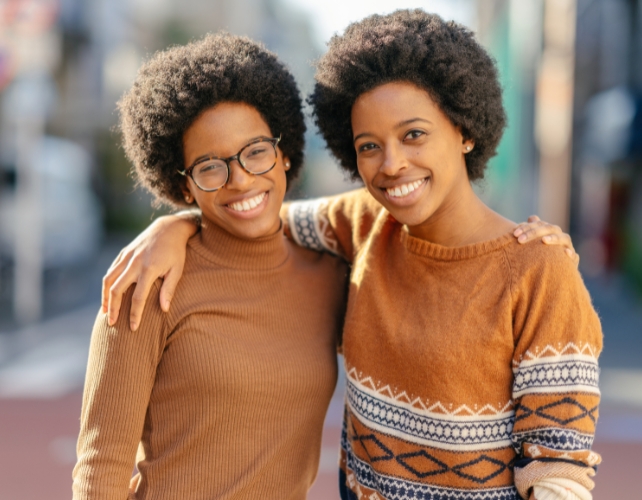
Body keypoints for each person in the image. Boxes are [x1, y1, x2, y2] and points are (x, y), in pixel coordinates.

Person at [101, 11, 596, 500]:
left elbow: (558, 470)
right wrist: (174, 225)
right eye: (368, 145)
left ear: (465, 130)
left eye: (414, 135)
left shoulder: (539, 268)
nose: (392, 163)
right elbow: (255, 216)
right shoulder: (363, 224)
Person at [72, 33, 348, 500]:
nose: (240, 179)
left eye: (256, 151)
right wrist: (176, 227)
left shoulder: (331, 275)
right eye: (209, 166)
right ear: (183, 187)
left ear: (284, 154)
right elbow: (100, 472)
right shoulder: (148, 282)